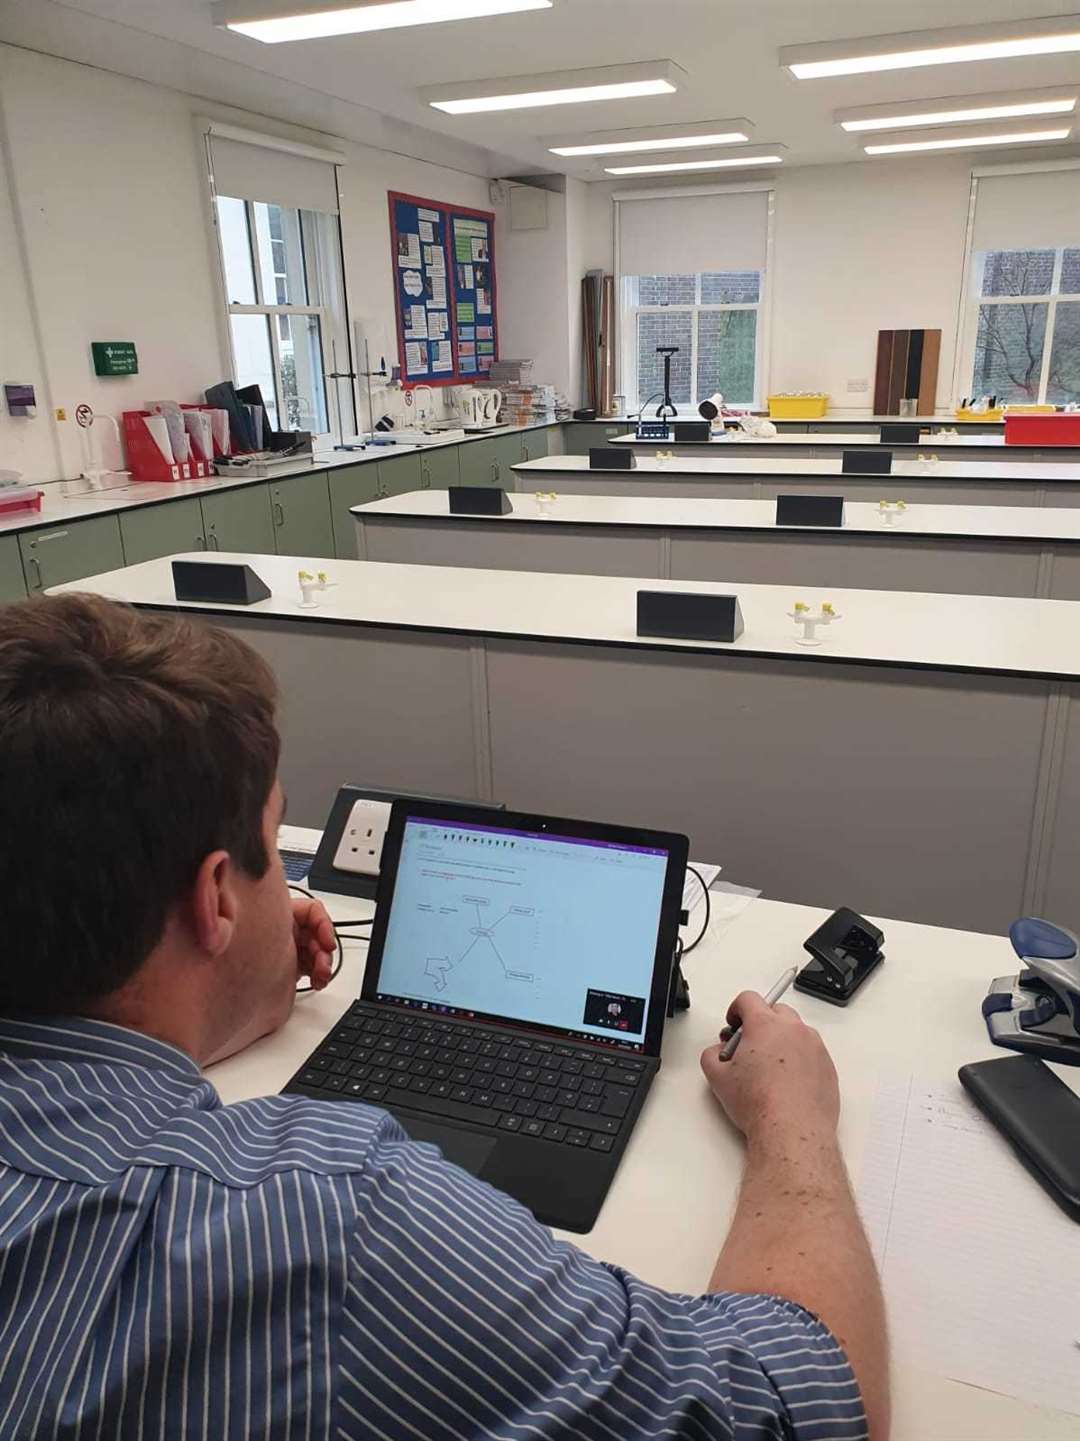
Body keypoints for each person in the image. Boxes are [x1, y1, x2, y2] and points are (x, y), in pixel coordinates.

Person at [0, 593, 888, 1440]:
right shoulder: (329, 1219)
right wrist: (791, 1122)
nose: (286, 883)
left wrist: (233, 962)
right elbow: (795, 1408)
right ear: (213, 902)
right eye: (273, 850)